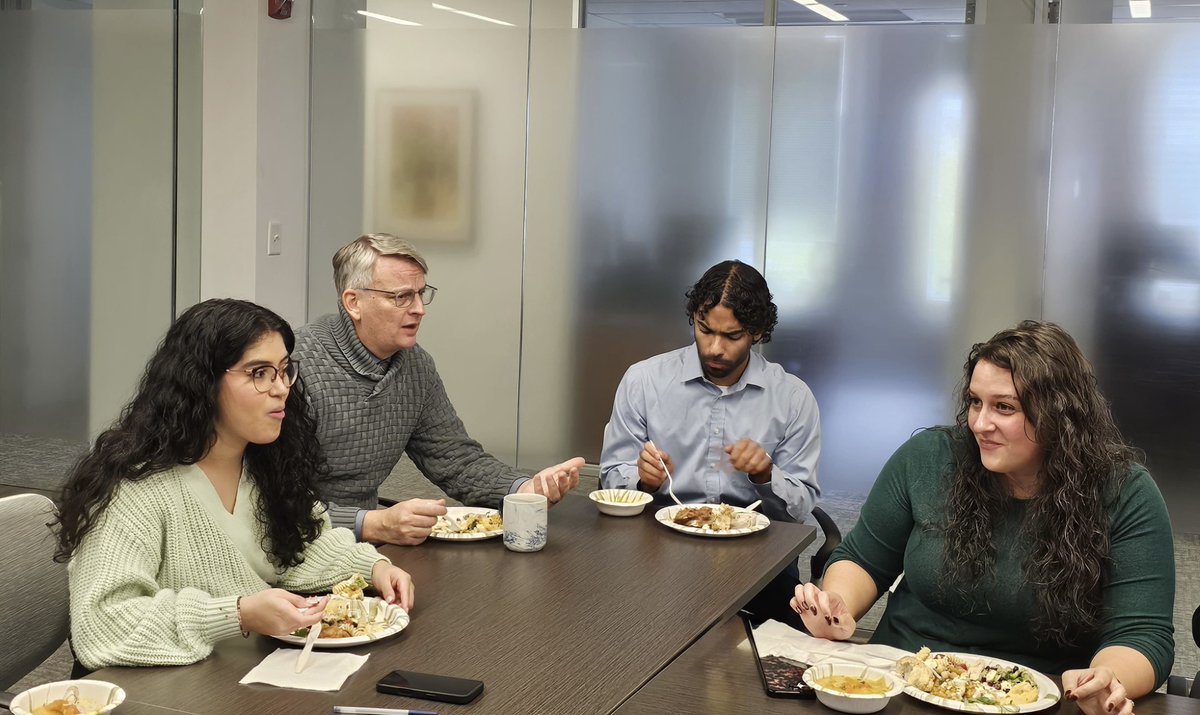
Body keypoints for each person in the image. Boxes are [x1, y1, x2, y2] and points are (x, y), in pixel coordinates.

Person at [791, 320, 1174, 715]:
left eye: (1004, 407)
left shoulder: (1125, 493)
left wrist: (1107, 679)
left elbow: (1143, 634)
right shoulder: (929, 458)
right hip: (902, 686)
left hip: (1038, 700)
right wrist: (838, 605)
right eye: (975, 402)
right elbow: (862, 559)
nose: (979, 423)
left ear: (1060, 415)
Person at [56, 299, 413, 669]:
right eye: (259, 373)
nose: (281, 389)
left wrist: (372, 567)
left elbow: (304, 547)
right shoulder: (134, 488)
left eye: (284, 370)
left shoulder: (264, 462)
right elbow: (102, 625)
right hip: (151, 692)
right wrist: (237, 614)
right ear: (203, 383)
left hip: (233, 671)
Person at [294, 234, 584, 546]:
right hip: (299, 545)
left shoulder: (415, 366)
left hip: (365, 545)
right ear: (354, 303)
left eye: (421, 294)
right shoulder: (295, 365)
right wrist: (370, 523)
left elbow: (454, 458)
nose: (419, 309)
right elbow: (270, 505)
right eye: (402, 297)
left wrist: (523, 489)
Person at [600, 259, 821, 623]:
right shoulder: (644, 381)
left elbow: (799, 510)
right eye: (705, 330)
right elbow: (610, 475)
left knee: (766, 664)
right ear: (694, 319)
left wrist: (766, 475)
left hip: (757, 565)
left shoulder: (792, 398)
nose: (715, 348)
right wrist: (642, 481)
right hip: (656, 556)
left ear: (757, 333)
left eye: (732, 336)